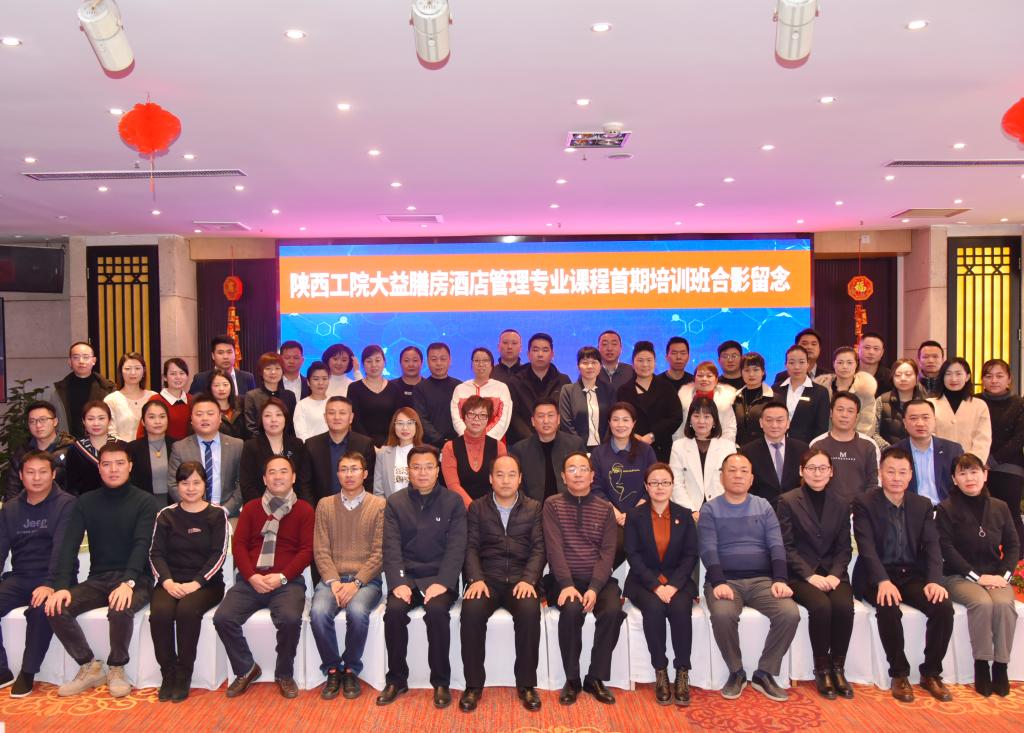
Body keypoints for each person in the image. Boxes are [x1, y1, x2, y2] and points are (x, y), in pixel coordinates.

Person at [46, 441, 158, 698]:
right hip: (98, 578)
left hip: (137, 577)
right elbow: (68, 546)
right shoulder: (86, 502)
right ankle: (90, 666)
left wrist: (128, 582)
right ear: (99, 468)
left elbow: (142, 545)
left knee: (119, 607)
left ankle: (117, 668)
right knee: (56, 607)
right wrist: (61, 586)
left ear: (130, 466)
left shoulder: (145, 501)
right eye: (107, 464)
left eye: (119, 463)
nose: (113, 469)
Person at [851, 447, 954, 703]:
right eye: (891, 472)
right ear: (880, 473)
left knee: (942, 606)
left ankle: (931, 673)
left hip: (911, 575)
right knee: (888, 604)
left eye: (902, 472)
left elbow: (932, 546)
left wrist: (934, 580)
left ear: (910, 475)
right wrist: (883, 581)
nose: (896, 478)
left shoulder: (922, 505)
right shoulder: (864, 502)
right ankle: (899, 673)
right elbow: (866, 547)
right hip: (877, 575)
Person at [699, 452, 799, 702]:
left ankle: (764, 673)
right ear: (722, 477)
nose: (738, 475)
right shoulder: (710, 509)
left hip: (762, 581)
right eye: (732, 470)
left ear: (752, 478)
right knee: (723, 614)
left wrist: (780, 579)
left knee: (789, 613)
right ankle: (736, 672)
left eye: (744, 471)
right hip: (725, 581)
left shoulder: (763, 506)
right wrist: (718, 582)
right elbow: (708, 549)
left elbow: (776, 545)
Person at [213, 455, 314, 699]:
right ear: (264, 479)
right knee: (223, 618)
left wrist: (282, 576)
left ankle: (284, 673)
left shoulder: (304, 510)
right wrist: (251, 576)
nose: (278, 476)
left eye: (283, 471)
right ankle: (246, 669)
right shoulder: (251, 508)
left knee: (290, 619)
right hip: (251, 580)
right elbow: (239, 546)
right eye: (272, 472)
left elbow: (307, 551)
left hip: (287, 582)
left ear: (293, 477)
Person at [378, 446, 467, 709]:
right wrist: (399, 582)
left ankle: (441, 682)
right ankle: (396, 680)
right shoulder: (395, 502)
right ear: (408, 471)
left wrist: (443, 582)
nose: (422, 472)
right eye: (416, 467)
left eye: (429, 467)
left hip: (439, 578)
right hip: (407, 578)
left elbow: (457, 547)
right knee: (394, 612)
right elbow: (391, 547)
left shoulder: (452, 502)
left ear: (438, 470)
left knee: (437, 613)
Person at [458, 455, 545, 713]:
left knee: (529, 612)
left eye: (511, 475)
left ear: (520, 478)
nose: (505, 480)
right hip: (487, 579)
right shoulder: (477, 507)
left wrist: (529, 579)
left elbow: (539, 549)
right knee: (471, 612)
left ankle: (526, 684)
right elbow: (470, 547)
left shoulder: (534, 508)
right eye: (499, 474)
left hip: (521, 579)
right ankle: (473, 685)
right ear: (490, 479)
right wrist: (475, 579)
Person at [542, 452, 625, 706]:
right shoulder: (552, 505)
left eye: (583, 469)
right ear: (563, 477)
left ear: (592, 476)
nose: (577, 474)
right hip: (563, 579)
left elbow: (607, 553)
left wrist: (595, 588)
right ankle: (572, 679)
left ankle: (595, 678)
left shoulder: (604, 509)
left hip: (597, 579)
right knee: (571, 610)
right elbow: (554, 549)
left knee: (612, 610)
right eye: (571, 469)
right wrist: (567, 585)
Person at [936, 453, 1019, 697]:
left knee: (1004, 604)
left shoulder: (1000, 507)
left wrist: (1003, 576)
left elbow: (1013, 545)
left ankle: (1001, 666)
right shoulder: (946, 509)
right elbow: (946, 550)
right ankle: (981, 665)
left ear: (985, 474)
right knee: (982, 603)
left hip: (995, 576)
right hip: (958, 576)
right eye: (962, 473)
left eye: (974, 472)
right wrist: (977, 577)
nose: (969, 478)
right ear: (954, 479)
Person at [776, 450, 855, 700]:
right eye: (811, 468)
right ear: (802, 471)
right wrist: (810, 575)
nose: (817, 473)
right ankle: (822, 669)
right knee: (821, 606)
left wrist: (835, 574)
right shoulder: (788, 501)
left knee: (844, 606)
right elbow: (786, 546)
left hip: (833, 573)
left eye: (823, 468)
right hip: (801, 574)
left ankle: (838, 668)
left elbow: (844, 547)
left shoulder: (841, 502)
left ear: (831, 471)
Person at [148, 461, 229, 702]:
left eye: (196, 482)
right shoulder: (166, 515)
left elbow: (219, 555)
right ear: (177, 486)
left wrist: (196, 583)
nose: (191, 488)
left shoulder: (217, 514)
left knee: (186, 611)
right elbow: (155, 553)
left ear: (205, 485)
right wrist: (167, 582)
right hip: (170, 581)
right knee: (160, 613)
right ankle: (168, 673)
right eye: (185, 483)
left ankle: (184, 674)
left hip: (207, 584)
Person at [310, 451, 385, 701]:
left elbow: (380, 553)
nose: (349, 474)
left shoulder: (379, 505)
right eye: (344, 469)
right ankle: (333, 669)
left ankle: (351, 668)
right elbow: (321, 550)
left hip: (366, 581)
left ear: (365, 474)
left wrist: (356, 583)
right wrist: (333, 582)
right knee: (318, 613)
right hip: (331, 579)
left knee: (357, 611)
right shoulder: (324, 505)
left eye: (354, 469)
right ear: (337, 474)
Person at [0, 451, 75, 697]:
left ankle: (28, 672)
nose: (36, 478)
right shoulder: (10, 508)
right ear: (21, 476)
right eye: (30, 472)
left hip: (56, 576)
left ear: (53, 474)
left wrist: (51, 583)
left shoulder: (67, 504)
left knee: (43, 609)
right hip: (21, 576)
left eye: (43, 472)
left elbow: (62, 548)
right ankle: (2, 670)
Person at [623, 463, 699, 706]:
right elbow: (633, 555)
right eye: (654, 482)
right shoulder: (634, 516)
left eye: (665, 482)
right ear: (646, 486)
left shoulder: (684, 515)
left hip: (679, 581)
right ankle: (661, 671)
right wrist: (656, 586)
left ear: (672, 485)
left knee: (680, 609)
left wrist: (673, 586)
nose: (660, 487)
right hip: (644, 581)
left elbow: (690, 555)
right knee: (654, 609)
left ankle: (682, 672)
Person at [591, 402, 657, 567]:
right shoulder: (598, 453)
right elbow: (595, 489)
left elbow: (653, 483)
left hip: (642, 515)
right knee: (614, 546)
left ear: (633, 423)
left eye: (625, 420)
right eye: (616, 419)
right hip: (610, 517)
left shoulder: (646, 451)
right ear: (609, 422)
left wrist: (633, 514)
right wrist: (616, 514)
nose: (620, 424)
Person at [976, 358, 1024, 555]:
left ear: (1009, 379)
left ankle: (1018, 561)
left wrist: (992, 461)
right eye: (988, 376)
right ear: (982, 379)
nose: (994, 380)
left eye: (999, 376)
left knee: (1011, 514)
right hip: (977, 467)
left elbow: (1019, 438)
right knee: (981, 516)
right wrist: (979, 461)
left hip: (1009, 467)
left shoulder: (1019, 403)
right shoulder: (974, 401)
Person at [166, 395, 244, 516]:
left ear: (220, 418)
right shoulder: (179, 448)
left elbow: (242, 482)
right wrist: (194, 508)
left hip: (228, 514)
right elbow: (173, 484)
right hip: (190, 514)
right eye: (199, 414)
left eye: (210, 413)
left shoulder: (237, 445)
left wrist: (226, 510)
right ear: (191, 419)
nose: (204, 418)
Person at [616, 340, 683, 462]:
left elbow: (676, 417)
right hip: (631, 447)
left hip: (661, 448)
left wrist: (653, 435)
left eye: (649, 360)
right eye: (640, 360)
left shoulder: (666, 387)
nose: (645, 364)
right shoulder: (623, 390)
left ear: (655, 362)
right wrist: (632, 435)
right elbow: (618, 418)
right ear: (633, 363)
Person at [809, 392, 880, 505]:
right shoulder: (817, 444)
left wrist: (864, 508)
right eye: (840, 409)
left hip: (860, 510)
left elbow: (874, 483)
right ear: (831, 413)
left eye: (850, 411)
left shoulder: (869, 445)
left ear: (857, 416)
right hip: (825, 508)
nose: (844, 415)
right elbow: (811, 480)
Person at [304, 396, 376, 507]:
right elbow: (305, 485)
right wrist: (314, 510)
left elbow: (369, 482)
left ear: (351, 417)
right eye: (331, 413)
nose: (337, 417)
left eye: (342, 413)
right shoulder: (311, 445)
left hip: (357, 508)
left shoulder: (365, 444)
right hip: (321, 509)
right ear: (325, 417)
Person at [669, 397, 737, 513]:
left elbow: (732, 481)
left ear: (714, 420)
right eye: (696, 416)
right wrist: (691, 511)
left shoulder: (728, 447)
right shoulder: (678, 446)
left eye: (707, 416)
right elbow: (676, 484)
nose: (701, 421)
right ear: (690, 420)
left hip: (722, 510)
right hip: (688, 511)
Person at [239, 398, 312, 504]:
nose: (273, 419)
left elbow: (303, 483)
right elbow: (247, 485)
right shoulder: (250, 446)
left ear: (285, 418)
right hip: (261, 506)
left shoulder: (297, 444)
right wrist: (268, 506)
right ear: (261, 420)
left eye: (278, 414)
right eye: (267, 415)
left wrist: (304, 507)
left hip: (294, 504)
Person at [510, 400, 585, 502]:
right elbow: (516, 486)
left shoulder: (575, 445)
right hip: (532, 508)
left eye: (550, 415)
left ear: (558, 419)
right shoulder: (519, 450)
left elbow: (584, 479)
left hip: (569, 506)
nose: (546, 421)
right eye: (541, 416)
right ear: (533, 421)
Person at [893, 400, 964, 505]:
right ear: (904, 423)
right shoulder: (894, 453)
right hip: (910, 510)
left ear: (934, 420)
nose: (920, 423)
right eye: (913, 418)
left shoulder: (953, 450)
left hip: (946, 511)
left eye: (925, 418)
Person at [740, 401, 808, 510]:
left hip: (796, 510)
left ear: (788, 423)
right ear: (761, 423)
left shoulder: (802, 449)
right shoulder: (747, 452)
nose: (774, 425)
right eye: (769, 420)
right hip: (761, 511)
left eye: (779, 420)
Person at [40, 341, 115, 439]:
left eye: (86, 357)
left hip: (101, 442)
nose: (81, 361)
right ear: (70, 362)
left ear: (94, 360)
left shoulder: (108, 388)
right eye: (76, 357)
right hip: (68, 443)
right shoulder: (58, 390)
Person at [442, 397, 508, 507]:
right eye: (471, 414)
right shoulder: (450, 447)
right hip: (459, 508)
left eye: (482, 415)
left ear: (488, 419)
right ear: (464, 417)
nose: (476, 419)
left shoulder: (499, 447)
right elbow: (453, 485)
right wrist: (474, 508)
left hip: (491, 508)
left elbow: (500, 482)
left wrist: (487, 510)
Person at [4, 400, 74, 501]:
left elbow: (77, 488)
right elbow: (12, 489)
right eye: (32, 421)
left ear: (55, 422)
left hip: (63, 506)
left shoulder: (70, 449)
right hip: (28, 506)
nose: (38, 425)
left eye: (43, 420)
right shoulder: (22, 452)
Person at [507, 333, 570, 445]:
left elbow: (566, 414)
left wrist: (552, 436)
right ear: (528, 354)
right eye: (535, 350)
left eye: (545, 350)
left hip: (557, 441)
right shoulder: (515, 382)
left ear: (552, 354)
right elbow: (513, 416)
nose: (540, 354)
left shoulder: (564, 381)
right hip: (524, 443)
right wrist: (532, 440)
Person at [930, 358, 991, 462]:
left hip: (970, 465)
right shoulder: (930, 404)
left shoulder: (980, 405)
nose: (953, 379)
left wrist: (971, 462)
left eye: (958, 374)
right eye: (948, 374)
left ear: (967, 377)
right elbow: (928, 435)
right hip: (937, 462)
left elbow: (983, 439)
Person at [450, 347, 513, 442]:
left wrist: (486, 440)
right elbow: (457, 419)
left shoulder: (501, 388)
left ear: (492, 365)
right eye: (476, 361)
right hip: (465, 442)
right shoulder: (460, 389)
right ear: (471, 365)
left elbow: (503, 419)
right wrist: (469, 437)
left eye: (485, 361)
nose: (481, 364)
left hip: (494, 442)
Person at [813, 347, 878, 435]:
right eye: (840, 362)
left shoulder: (865, 390)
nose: (844, 366)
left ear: (856, 364)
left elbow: (866, 423)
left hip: (856, 440)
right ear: (833, 364)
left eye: (849, 362)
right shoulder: (821, 389)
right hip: (824, 438)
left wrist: (854, 440)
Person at [348, 344, 403, 448]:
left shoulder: (395, 388)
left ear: (384, 362)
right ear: (363, 364)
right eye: (369, 361)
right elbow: (355, 420)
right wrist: (369, 445)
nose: (373, 365)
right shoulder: (354, 388)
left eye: (377, 360)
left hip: (391, 445)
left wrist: (388, 444)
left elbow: (398, 418)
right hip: (362, 444)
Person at [559, 345, 614, 447]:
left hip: (604, 448)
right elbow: (566, 423)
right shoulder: (568, 391)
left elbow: (612, 419)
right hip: (575, 448)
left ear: (600, 366)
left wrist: (604, 448)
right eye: (585, 362)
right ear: (578, 366)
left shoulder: (609, 390)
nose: (589, 366)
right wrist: (579, 447)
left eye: (594, 362)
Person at [773, 345, 830, 444]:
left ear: (808, 364)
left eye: (801, 362)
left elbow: (821, 427)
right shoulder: (776, 389)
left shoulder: (820, 392)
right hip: (776, 445)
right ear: (785, 365)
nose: (797, 367)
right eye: (792, 362)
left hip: (807, 447)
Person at [674, 361, 738, 443]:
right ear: (694, 379)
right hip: (687, 445)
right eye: (700, 376)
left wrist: (722, 447)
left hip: (719, 446)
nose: (704, 379)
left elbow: (730, 429)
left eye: (709, 376)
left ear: (716, 380)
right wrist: (680, 445)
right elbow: (678, 427)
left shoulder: (725, 400)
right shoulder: (683, 399)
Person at [412, 342, 461, 450]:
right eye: (434, 359)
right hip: (429, 447)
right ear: (427, 362)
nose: (438, 363)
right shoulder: (420, 388)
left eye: (443, 359)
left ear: (450, 360)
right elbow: (421, 419)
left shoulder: (459, 386)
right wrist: (441, 441)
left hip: (457, 444)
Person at [65, 401, 116, 496]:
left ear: (109, 421)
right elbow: (71, 486)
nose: (96, 423)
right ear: (84, 421)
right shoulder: (75, 449)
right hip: (85, 501)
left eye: (101, 418)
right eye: (90, 419)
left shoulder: (121, 447)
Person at [871, 358, 925, 449]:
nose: (903, 379)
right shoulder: (881, 400)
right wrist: (890, 450)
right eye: (898, 375)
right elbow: (873, 432)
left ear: (917, 377)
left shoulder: (925, 402)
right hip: (888, 453)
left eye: (908, 374)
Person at [242, 352, 298, 437]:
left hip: (286, 442)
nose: (273, 372)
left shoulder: (289, 396)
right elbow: (250, 427)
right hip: (259, 442)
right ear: (261, 371)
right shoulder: (251, 396)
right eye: (268, 368)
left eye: (277, 368)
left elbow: (291, 425)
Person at [103, 352, 156, 440]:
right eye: (128, 369)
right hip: (121, 447)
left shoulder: (153, 397)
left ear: (143, 371)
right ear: (121, 372)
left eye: (137, 368)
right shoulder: (111, 400)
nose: (133, 372)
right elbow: (110, 434)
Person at [374, 407, 424, 499]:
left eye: (410, 423)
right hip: (389, 506)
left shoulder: (425, 453)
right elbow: (378, 492)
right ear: (394, 426)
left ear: (416, 426)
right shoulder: (383, 453)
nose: (405, 428)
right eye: (400, 423)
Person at [128, 400, 172, 502]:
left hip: (173, 503)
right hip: (143, 503)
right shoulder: (132, 448)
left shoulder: (177, 446)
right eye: (152, 417)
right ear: (143, 422)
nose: (158, 421)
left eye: (162, 416)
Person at [144, 358, 193, 442]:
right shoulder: (155, 400)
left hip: (188, 448)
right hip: (162, 447)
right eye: (173, 374)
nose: (178, 377)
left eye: (182, 373)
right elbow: (143, 431)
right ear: (165, 377)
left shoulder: (192, 400)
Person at [190, 335, 256, 398]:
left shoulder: (247, 378)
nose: (225, 357)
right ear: (213, 356)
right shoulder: (200, 379)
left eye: (229, 352)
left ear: (235, 354)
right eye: (220, 353)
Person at [733, 352, 775, 446]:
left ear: (763, 372)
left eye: (756, 370)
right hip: (738, 450)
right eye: (747, 370)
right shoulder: (734, 398)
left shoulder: (774, 399)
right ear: (741, 372)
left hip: (765, 449)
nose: (751, 374)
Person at [293, 361, 330, 441]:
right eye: (316, 379)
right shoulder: (302, 405)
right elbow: (301, 434)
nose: (321, 383)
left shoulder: (334, 402)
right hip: (310, 446)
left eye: (324, 379)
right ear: (308, 382)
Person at [208, 368, 247, 439]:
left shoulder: (242, 404)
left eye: (225, 385)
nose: (221, 389)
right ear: (210, 388)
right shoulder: (206, 409)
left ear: (231, 386)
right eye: (216, 385)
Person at [857, 332, 892, 396]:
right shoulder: (848, 372)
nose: (871, 352)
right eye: (867, 347)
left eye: (876, 349)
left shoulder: (889, 377)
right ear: (858, 349)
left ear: (882, 352)